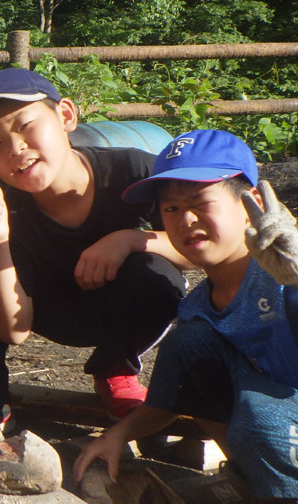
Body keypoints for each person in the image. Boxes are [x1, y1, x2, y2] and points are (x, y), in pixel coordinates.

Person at [0, 68, 190, 420]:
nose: (15, 148)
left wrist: (129, 239)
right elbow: (14, 331)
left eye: (24, 125)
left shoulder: (130, 170)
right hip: (40, 310)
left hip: (115, 308)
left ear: (65, 115)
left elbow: (193, 249)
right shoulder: (6, 206)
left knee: (157, 274)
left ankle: (115, 368)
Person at [73, 129, 298, 502]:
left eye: (201, 201)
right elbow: (167, 401)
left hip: (278, 422)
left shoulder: (283, 267)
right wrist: (114, 437)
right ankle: (255, 481)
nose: (186, 219)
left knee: (261, 419)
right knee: (189, 342)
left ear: (251, 202)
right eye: (172, 208)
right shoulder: (198, 308)